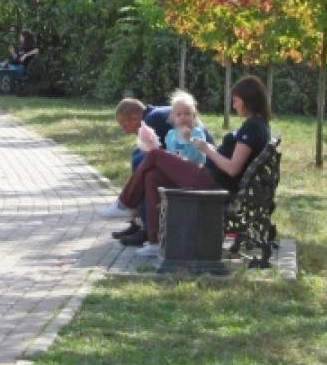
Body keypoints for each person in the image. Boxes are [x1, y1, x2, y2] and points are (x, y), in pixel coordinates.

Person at [97, 76, 272, 259]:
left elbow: (232, 169)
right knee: (152, 176)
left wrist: (208, 150)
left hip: (213, 182)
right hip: (210, 177)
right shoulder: (256, 125)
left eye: (236, 100)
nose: (234, 105)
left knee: (155, 155)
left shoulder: (252, 128)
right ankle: (154, 242)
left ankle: (124, 203)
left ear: (247, 100)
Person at [112, 95, 213, 246]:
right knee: (143, 163)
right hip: (185, 163)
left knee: (141, 160)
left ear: (134, 118)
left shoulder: (151, 119)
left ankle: (139, 220)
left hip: (202, 168)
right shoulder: (155, 115)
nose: (125, 131)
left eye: (124, 126)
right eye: (178, 115)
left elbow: (156, 155)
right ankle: (139, 221)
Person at [0, 30, 39, 97]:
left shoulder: (30, 47)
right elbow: (17, 59)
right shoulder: (21, 47)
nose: (20, 38)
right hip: (11, 65)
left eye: (21, 36)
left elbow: (37, 50)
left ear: (25, 37)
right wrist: (13, 53)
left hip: (19, 69)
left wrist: (26, 55)